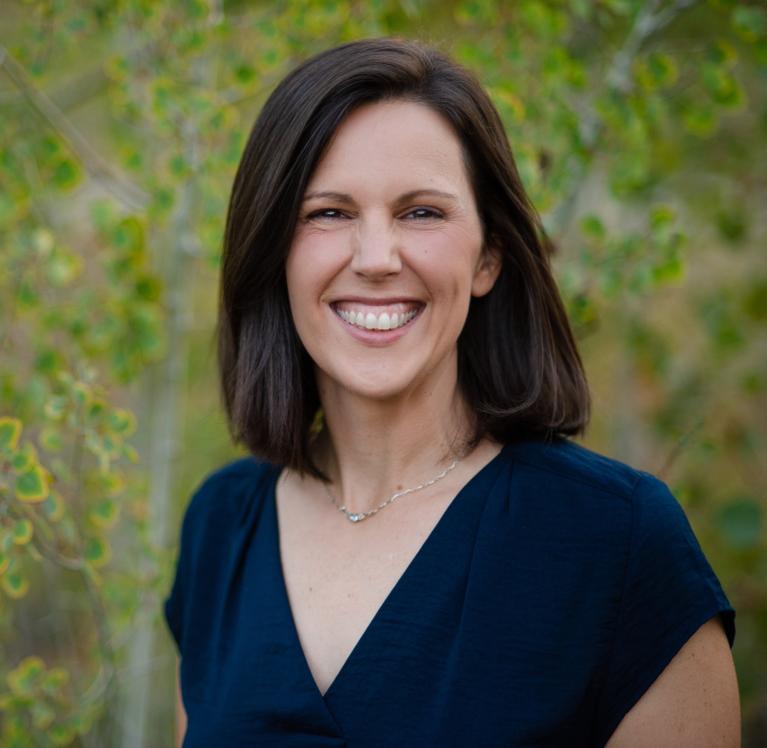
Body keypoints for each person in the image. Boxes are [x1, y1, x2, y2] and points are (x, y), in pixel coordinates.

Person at [163, 37, 740, 747]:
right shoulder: (221, 527)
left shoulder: (616, 542)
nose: (376, 259)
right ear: (274, 250)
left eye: (421, 213)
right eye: (328, 213)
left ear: (488, 256)